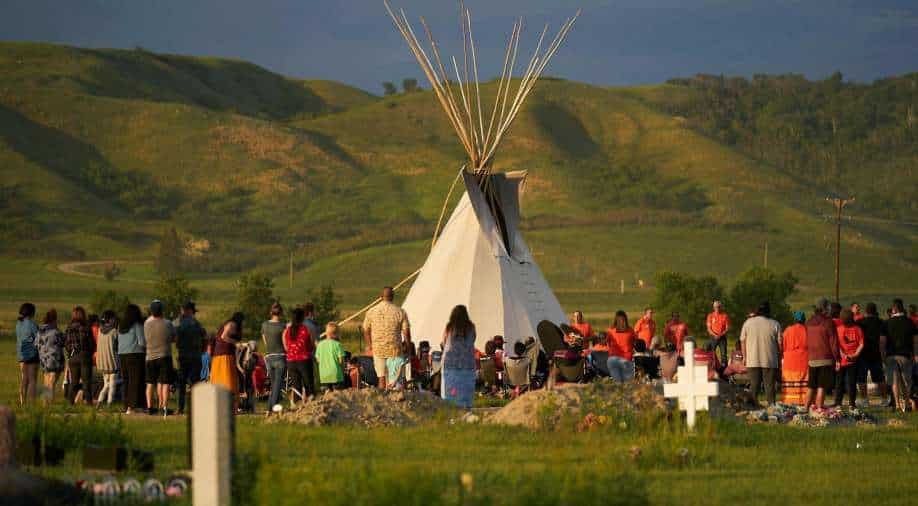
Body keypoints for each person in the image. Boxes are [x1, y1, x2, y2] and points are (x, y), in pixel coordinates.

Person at [363, 287, 411, 389]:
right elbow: (406, 331)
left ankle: (382, 402)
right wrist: (408, 346)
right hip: (395, 349)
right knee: (397, 379)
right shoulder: (400, 312)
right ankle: (399, 401)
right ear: (392, 297)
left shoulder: (372, 311)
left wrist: (369, 345)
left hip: (378, 349)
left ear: (381, 297)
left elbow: (366, 329)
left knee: (382, 378)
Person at [740, 302, 782, 406]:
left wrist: (744, 357)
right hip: (770, 360)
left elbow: (742, 341)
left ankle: (751, 407)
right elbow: (780, 344)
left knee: (754, 386)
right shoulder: (775, 324)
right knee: (770, 387)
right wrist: (779, 358)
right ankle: (772, 407)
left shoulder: (748, 323)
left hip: (752, 360)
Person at [881, 299, 917, 412]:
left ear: (894, 309)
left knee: (894, 381)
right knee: (906, 381)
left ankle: (897, 404)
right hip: (905, 355)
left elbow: (882, 342)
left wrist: (883, 355)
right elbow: (915, 340)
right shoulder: (910, 322)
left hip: (891, 355)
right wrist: (915, 354)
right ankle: (907, 403)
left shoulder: (886, 323)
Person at [805, 298, 839, 410]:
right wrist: (837, 358)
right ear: (825, 308)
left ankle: (806, 408)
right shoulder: (829, 322)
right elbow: (833, 342)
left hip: (812, 358)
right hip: (825, 358)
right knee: (821, 386)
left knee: (811, 386)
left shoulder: (809, 321)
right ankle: (819, 408)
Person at [440, 305, 477, 409]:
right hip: (467, 364)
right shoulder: (471, 327)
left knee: (450, 391)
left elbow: (443, 342)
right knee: (466, 390)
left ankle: (451, 412)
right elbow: (473, 339)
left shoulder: (449, 327)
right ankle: (467, 410)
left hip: (450, 363)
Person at [144, 300, 176, 417]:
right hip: (164, 355)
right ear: (162, 310)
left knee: (150, 383)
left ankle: (149, 407)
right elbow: (173, 338)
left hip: (150, 356)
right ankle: (163, 407)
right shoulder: (168, 323)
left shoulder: (146, 323)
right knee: (165, 383)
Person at [175, 301, 207, 415]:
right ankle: (195, 408)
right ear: (190, 311)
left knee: (181, 383)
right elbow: (205, 338)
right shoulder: (197, 324)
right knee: (195, 383)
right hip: (195, 356)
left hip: (183, 356)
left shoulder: (178, 323)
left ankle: (180, 408)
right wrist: (202, 350)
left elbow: (176, 340)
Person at [857, 302, 887, 407]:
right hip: (876, 354)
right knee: (880, 378)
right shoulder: (881, 322)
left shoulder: (860, 322)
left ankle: (864, 400)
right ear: (875, 311)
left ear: (866, 311)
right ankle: (884, 399)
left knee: (862, 378)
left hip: (863, 354)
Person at [211, 312, 244, 409]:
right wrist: (235, 343)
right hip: (224, 356)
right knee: (227, 379)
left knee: (222, 378)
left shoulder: (229, 324)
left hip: (222, 355)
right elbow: (223, 337)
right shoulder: (232, 324)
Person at [117, 304, 146, 414]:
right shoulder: (137, 325)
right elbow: (141, 342)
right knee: (135, 381)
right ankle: (133, 406)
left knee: (126, 381)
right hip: (135, 354)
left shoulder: (121, 326)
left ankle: (126, 405)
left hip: (122, 355)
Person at [284, 307, 315, 404]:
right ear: (302, 318)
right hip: (304, 360)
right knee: (308, 384)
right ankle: (311, 403)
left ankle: (297, 405)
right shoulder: (306, 329)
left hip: (291, 361)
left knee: (296, 385)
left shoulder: (287, 331)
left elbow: (286, 348)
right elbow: (311, 345)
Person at [834, 309, 864, 408]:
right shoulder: (857, 329)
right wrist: (855, 355)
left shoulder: (838, 329)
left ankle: (838, 402)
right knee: (852, 383)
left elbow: (837, 345)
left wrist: (843, 355)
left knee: (839, 382)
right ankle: (852, 403)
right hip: (853, 360)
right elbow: (861, 344)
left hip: (842, 360)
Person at [65, 306, 95, 405]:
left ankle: (70, 403)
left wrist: (71, 352)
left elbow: (67, 344)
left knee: (74, 382)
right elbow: (92, 344)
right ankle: (89, 404)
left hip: (73, 357)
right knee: (86, 382)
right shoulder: (86, 327)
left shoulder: (69, 327)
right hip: (85, 356)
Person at [261, 302, 287, 411]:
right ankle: (272, 408)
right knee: (277, 385)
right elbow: (285, 344)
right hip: (280, 357)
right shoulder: (282, 326)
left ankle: (269, 409)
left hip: (269, 357)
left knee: (274, 385)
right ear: (281, 313)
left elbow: (265, 342)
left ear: (271, 312)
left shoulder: (264, 325)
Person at [37, 308, 66, 403]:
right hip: (55, 359)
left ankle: (45, 402)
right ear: (54, 320)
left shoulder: (40, 331)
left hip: (43, 360)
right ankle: (50, 402)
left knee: (46, 382)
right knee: (52, 382)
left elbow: (36, 344)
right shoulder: (56, 332)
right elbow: (63, 342)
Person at [781, 311, 809, 405]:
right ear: (804, 320)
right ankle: (804, 400)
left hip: (790, 361)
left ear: (795, 319)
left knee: (791, 381)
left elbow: (782, 345)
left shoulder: (788, 330)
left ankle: (790, 401)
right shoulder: (807, 330)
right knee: (804, 381)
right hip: (804, 360)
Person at [16, 302, 39, 405]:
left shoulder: (18, 324)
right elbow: (38, 338)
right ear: (31, 312)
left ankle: (22, 401)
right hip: (32, 354)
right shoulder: (32, 324)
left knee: (24, 378)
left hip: (21, 354)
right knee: (32, 379)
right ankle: (32, 402)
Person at [95, 310, 119, 409]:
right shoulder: (114, 331)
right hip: (112, 361)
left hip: (102, 362)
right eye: (114, 318)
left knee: (106, 384)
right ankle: (109, 404)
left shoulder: (100, 331)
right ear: (110, 319)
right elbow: (118, 346)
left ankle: (99, 402)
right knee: (112, 384)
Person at [605, 310, 636, 382]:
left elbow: (607, 343)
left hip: (612, 359)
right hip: (626, 359)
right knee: (628, 385)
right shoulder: (630, 330)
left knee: (618, 384)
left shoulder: (611, 330)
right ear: (625, 319)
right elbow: (636, 343)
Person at [316, 322, 345, 391]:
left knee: (328, 395)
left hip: (324, 375)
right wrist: (343, 370)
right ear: (336, 333)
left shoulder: (320, 344)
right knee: (338, 395)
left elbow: (318, 360)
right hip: (336, 375)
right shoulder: (338, 344)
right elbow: (341, 361)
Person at [706, 301, 731, 366]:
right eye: (716, 307)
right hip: (713, 337)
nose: (717, 308)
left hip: (722, 337)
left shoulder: (725, 316)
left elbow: (727, 328)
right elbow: (709, 328)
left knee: (723, 354)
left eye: (719, 307)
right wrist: (715, 335)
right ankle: (711, 367)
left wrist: (720, 335)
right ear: (713, 307)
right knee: (711, 353)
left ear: (721, 307)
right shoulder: (710, 316)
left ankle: (724, 369)